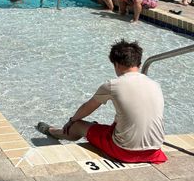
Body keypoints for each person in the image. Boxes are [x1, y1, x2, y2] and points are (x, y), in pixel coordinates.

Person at [36, 40, 167, 163]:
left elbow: (87, 107)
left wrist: (72, 120)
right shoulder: (155, 84)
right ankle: (92, 130)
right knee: (118, 121)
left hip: (125, 151)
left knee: (77, 125)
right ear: (138, 63)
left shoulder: (113, 85)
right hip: (154, 151)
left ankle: (53, 132)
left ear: (116, 64)